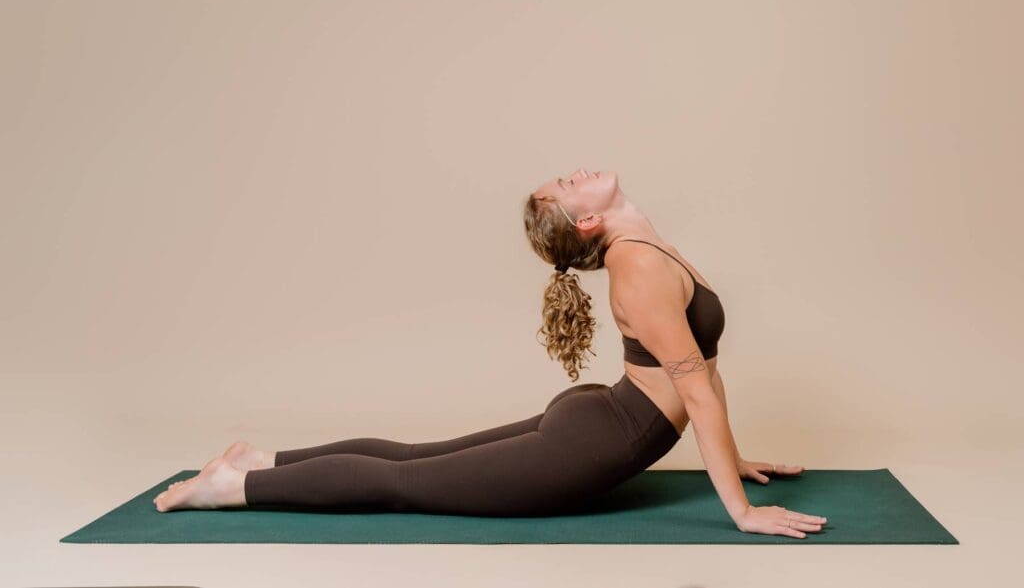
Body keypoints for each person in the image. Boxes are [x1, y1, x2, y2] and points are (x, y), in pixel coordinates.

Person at [153, 168, 826, 538]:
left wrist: (732, 455)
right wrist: (741, 512)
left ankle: (258, 460)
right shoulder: (640, 267)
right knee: (403, 483)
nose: (576, 174)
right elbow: (697, 392)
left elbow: (700, 368)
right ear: (587, 220)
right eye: (566, 185)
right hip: (591, 444)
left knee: (412, 459)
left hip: (600, 419)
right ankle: (234, 486)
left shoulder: (647, 251)